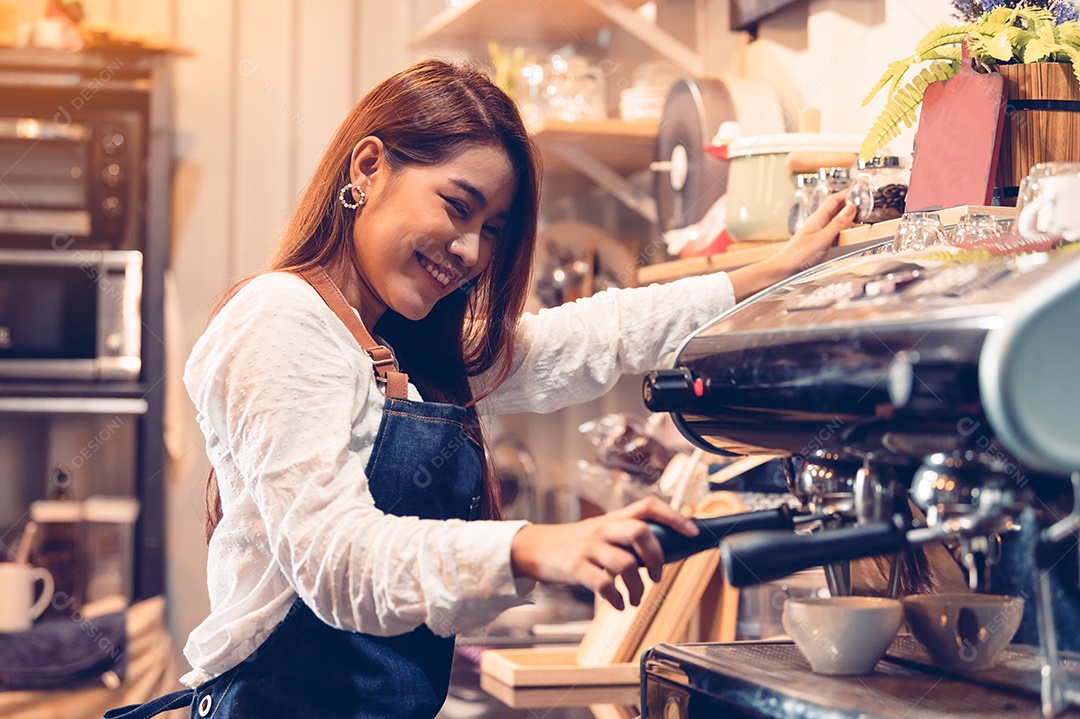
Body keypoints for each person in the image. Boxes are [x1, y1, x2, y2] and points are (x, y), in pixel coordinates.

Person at [105, 59, 855, 719]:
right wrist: (534, 547)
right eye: (457, 207)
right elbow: (336, 561)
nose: (470, 250)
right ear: (366, 169)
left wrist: (765, 275)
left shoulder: (409, 346)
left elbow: (598, 333)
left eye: (493, 228)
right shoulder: (279, 319)